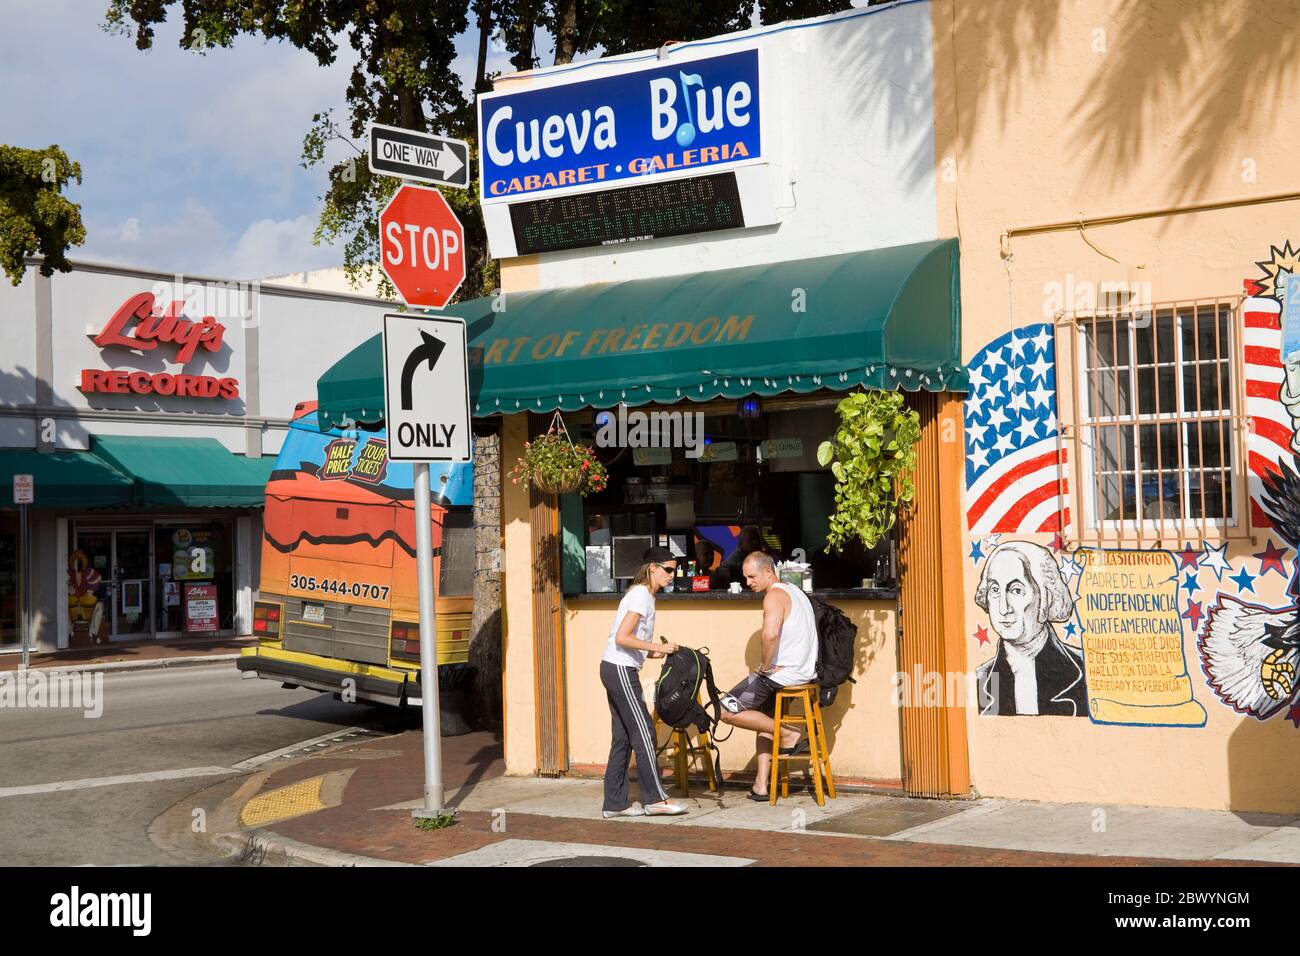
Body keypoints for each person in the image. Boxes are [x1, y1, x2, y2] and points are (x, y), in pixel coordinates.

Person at [719, 551, 819, 801]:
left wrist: (764, 667)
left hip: (783, 674)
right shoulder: (796, 592)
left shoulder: (774, 596)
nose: (747, 582)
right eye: (745, 577)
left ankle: (788, 733)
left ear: (768, 572)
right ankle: (761, 785)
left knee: (723, 709)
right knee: (762, 719)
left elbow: (770, 635)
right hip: (802, 672)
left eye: (751, 576)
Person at [599, 546, 689, 818]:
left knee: (623, 737)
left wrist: (662, 649)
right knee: (645, 731)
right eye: (669, 569)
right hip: (620, 669)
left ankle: (614, 804)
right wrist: (656, 648)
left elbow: (632, 643)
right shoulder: (640, 595)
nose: (673, 575)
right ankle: (655, 799)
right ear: (652, 567)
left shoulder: (646, 596)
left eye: (675, 570)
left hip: (616, 667)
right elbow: (622, 638)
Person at [973, 541, 1086, 716]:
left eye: (1016, 591)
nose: (1003, 608)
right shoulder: (980, 680)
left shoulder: (1085, 671)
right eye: (995, 589)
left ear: (1045, 598)